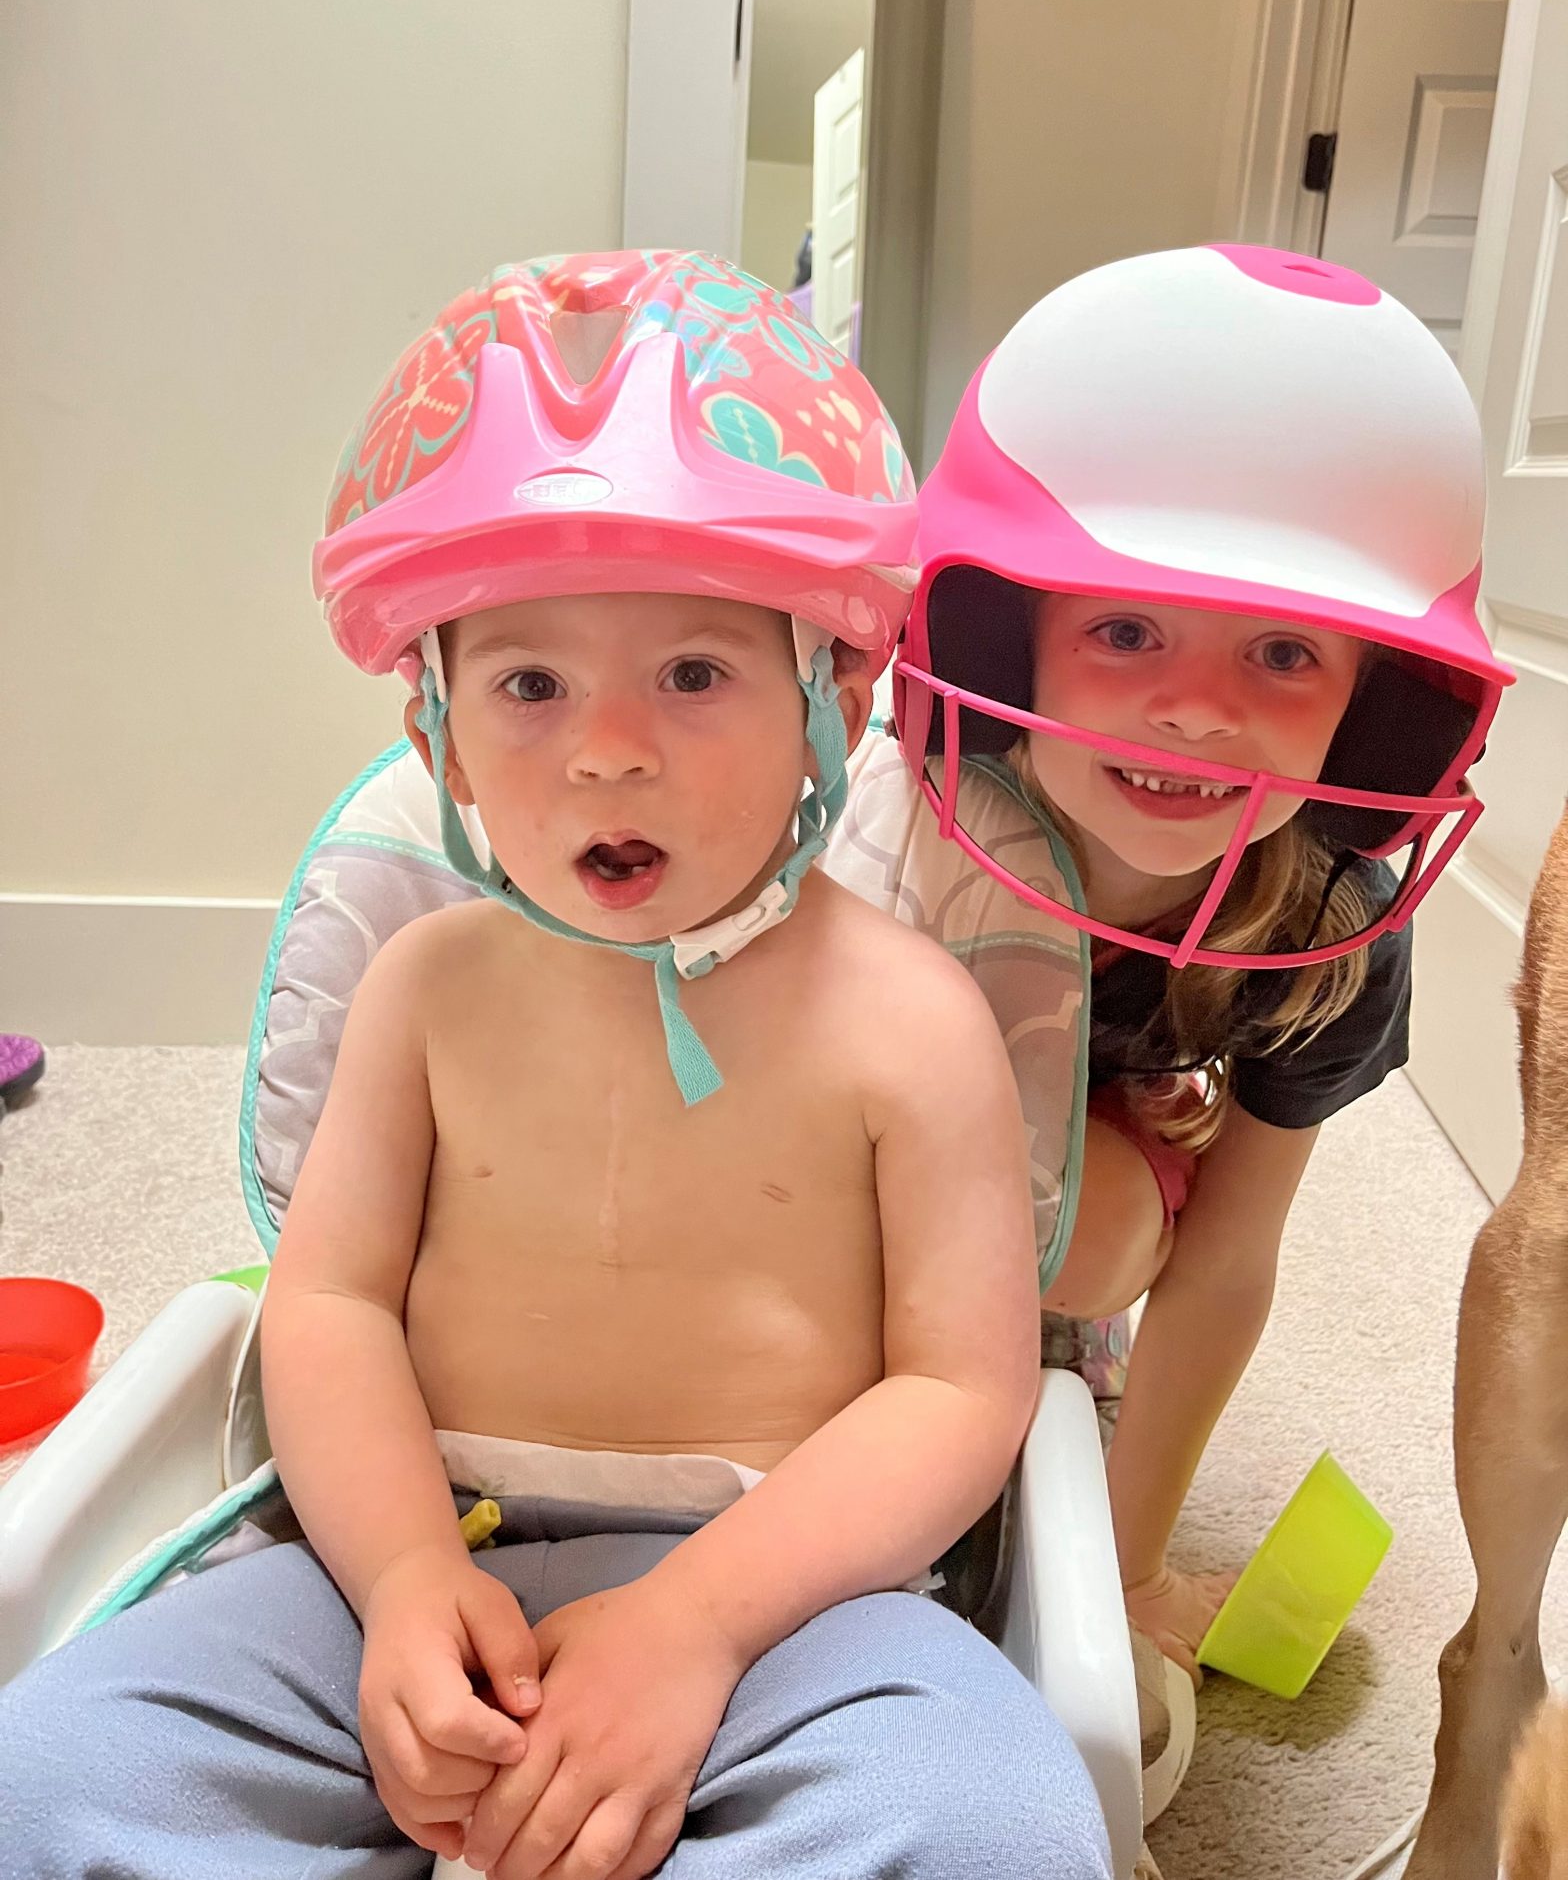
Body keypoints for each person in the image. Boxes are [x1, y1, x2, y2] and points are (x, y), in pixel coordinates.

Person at [0, 252, 1112, 1880]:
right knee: (47, 1776)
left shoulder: (913, 1015)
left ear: (837, 701)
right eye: (529, 683)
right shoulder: (425, 987)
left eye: (695, 673)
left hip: (794, 1604)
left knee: (997, 1828)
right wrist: (392, 1584)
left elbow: (961, 1391)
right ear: (433, 732)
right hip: (404, 1561)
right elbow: (327, 1308)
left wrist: (695, 1626)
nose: (608, 745)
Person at [829, 243, 1508, 1689]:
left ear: (1374, 719)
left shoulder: (1325, 934)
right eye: (1126, 630)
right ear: (1010, 646)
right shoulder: (903, 838)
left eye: (1281, 655)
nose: (1194, 712)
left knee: (1097, 1227)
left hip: (1074, 1198)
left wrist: (1122, 1571)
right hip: (850, 1168)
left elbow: (1226, 1269)